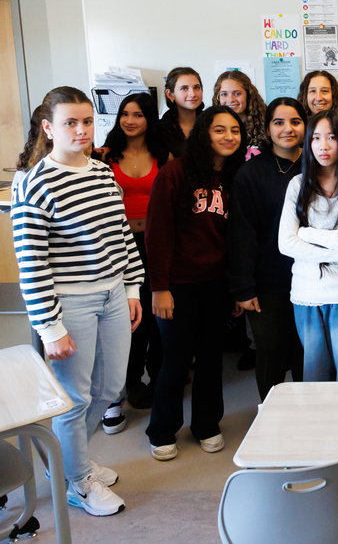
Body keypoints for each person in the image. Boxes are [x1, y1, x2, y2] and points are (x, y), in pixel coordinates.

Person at [12, 86, 144, 516]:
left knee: (110, 387)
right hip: (71, 303)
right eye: (71, 122)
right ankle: (77, 481)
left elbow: (120, 236)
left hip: (111, 293)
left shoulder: (102, 172)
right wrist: (51, 328)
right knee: (75, 398)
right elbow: (30, 263)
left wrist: (131, 288)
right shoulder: (36, 183)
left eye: (87, 121)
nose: (82, 130)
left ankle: (71, 462)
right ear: (49, 128)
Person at [145, 106, 246, 461]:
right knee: (175, 359)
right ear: (204, 133)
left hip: (216, 284)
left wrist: (236, 288)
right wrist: (160, 287)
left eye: (234, 130)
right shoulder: (175, 173)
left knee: (210, 358)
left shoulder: (237, 176)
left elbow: (238, 238)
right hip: (177, 285)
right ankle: (161, 429)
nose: (228, 137)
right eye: (220, 130)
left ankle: (206, 424)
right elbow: (157, 233)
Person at [279, 109, 338, 382]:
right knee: (314, 374)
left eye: (331, 137)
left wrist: (307, 233)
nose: (323, 146)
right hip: (307, 291)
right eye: (316, 138)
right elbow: (286, 243)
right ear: (308, 142)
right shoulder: (297, 184)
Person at [227, 97, 307, 400]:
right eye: (279, 122)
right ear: (268, 128)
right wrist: (243, 288)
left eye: (295, 122)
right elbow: (241, 234)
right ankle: (271, 419)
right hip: (266, 282)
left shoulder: (317, 165)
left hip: (311, 279)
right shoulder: (251, 173)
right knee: (271, 352)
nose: (288, 129)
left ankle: (307, 419)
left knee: (306, 353)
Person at [100, 92, 170, 421]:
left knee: (157, 317)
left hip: (155, 241)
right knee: (129, 318)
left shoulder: (163, 154)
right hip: (120, 243)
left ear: (148, 119)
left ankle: (156, 378)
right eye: (125, 114)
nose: (130, 120)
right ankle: (127, 382)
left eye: (138, 114)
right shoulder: (105, 155)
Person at [213, 69, 268, 156]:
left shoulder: (266, 123)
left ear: (248, 95)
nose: (230, 100)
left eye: (237, 94)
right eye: (224, 94)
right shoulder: (211, 126)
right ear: (218, 97)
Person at [159, 66, 204, 158]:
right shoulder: (159, 129)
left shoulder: (212, 122)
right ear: (170, 94)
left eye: (197, 88)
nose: (192, 94)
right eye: (184, 88)